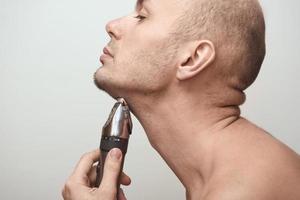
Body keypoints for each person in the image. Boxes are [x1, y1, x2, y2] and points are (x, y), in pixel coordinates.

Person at [62, 0, 300, 199]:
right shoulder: (226, 175)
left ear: (192, 59)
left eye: (142, 16)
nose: (112, 26)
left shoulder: (240, 191)